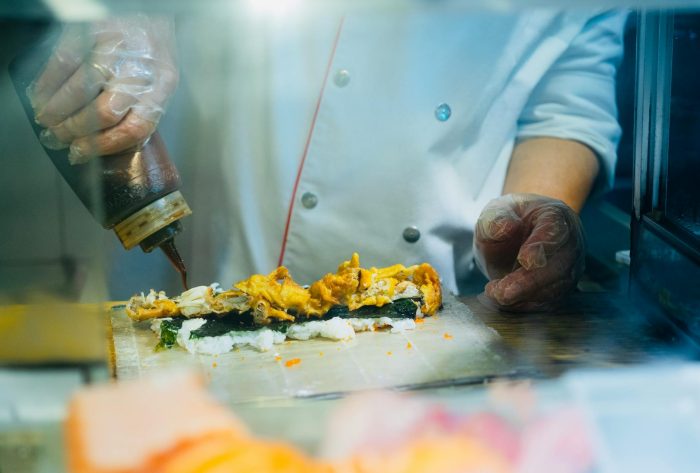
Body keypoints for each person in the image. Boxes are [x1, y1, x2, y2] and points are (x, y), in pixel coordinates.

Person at [27, 8, 627, 312]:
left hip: (433, 317)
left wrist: (531, 220)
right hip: (226, 252)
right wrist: (137, 9)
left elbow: (566, 110)